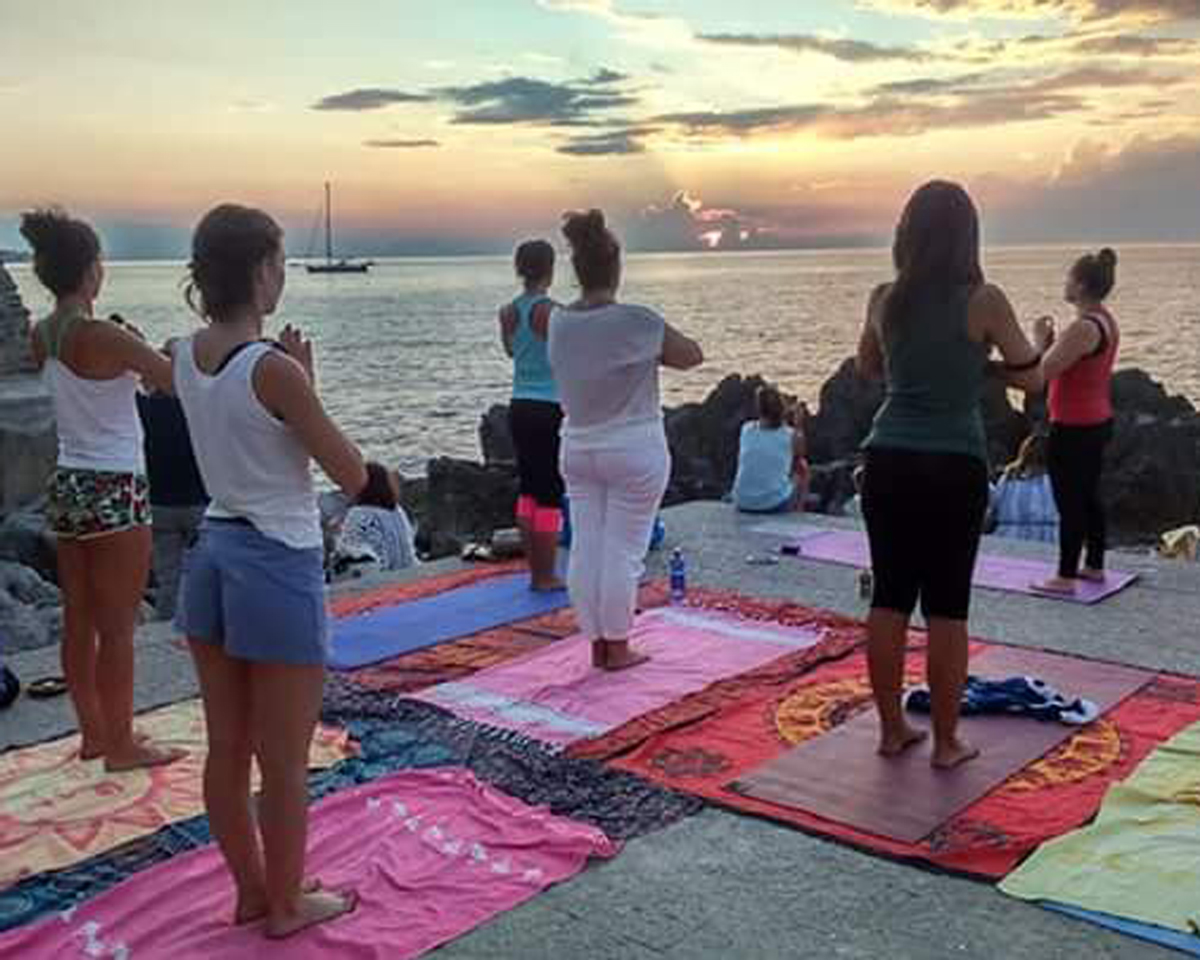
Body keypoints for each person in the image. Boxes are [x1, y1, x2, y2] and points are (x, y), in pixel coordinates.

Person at [174, 203, 395, 938]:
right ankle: (287, 904)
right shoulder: (273, 369)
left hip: (212, 554)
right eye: (280, 264)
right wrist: (305, 383)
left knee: (227, 748)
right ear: (262, 271)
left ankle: (252, 891)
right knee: (285, 757)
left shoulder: (184, 353)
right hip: (274, 560)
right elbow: (353, 473)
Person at [856, 181, 1044, 769]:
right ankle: (945, 742)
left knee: (889, 597)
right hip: (952, 463)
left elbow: (868, 365)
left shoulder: (884, 298)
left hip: (887, 457)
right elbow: (1032, 377)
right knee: (947, 606)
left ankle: (892, 730)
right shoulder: (985, 301)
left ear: (906, 235)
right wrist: (989, 363)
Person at [22, 208, 183, 771]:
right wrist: (138, 345)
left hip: (68, 480)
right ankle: (122, 745)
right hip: (115, 483)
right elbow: (171, 378)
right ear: (91, 270)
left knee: (79, 616)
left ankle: (94, 734)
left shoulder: (41, 334)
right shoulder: (103, 335)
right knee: (118, 627)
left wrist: (127, 353)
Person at [548, 209, 703, 671]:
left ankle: (597, 643)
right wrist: (648, 353)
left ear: (577, 269)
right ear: (616, 269)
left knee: (587, 548)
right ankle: (616, 647)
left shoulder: (558, 322)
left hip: (577, 448)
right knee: (622, 552)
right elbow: (691, 355)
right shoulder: (637, 321)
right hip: (633, 449)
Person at [1032, 249, 1120, 593]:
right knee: (1088, 494)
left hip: (1074, 425)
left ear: (1081, 285)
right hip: (1096, 419)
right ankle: (1094, 564)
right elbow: (1073, 364)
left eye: (1069, 278)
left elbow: (1042, 372)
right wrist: (1053, 345)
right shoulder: (1105, 320)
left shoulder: (1083, 327)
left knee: (1070, 500)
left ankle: (1065, 576)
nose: (1065, 283)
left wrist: (1040, 341)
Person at [498, 239, 565, 591]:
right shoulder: (553, 312)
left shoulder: (507, 312)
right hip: (548, 407)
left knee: (528, 489)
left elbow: (512, 351)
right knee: (550, 491)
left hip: (519, 405)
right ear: (550, 269)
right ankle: (545, 574)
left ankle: (535, 569)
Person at [137, 350, 209, 620]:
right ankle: (204, 624)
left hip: (158, 505)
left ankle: (168, 622)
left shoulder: (142, 408)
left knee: (169, 576)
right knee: (206, 572)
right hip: (199, 502)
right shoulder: (198, 407)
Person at [732, 384, 809, 513]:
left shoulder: (746, 429)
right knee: (803, 467)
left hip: (741, 502)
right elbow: (799, 456)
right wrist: (798, 424)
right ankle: (797, 512)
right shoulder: (792, 435)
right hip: (773, 505)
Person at [987, 433, 1059, 543]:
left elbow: (993, 513)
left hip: (1009, 537)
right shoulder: (1060, 480)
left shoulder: (1008, 477)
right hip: (1046, 540)